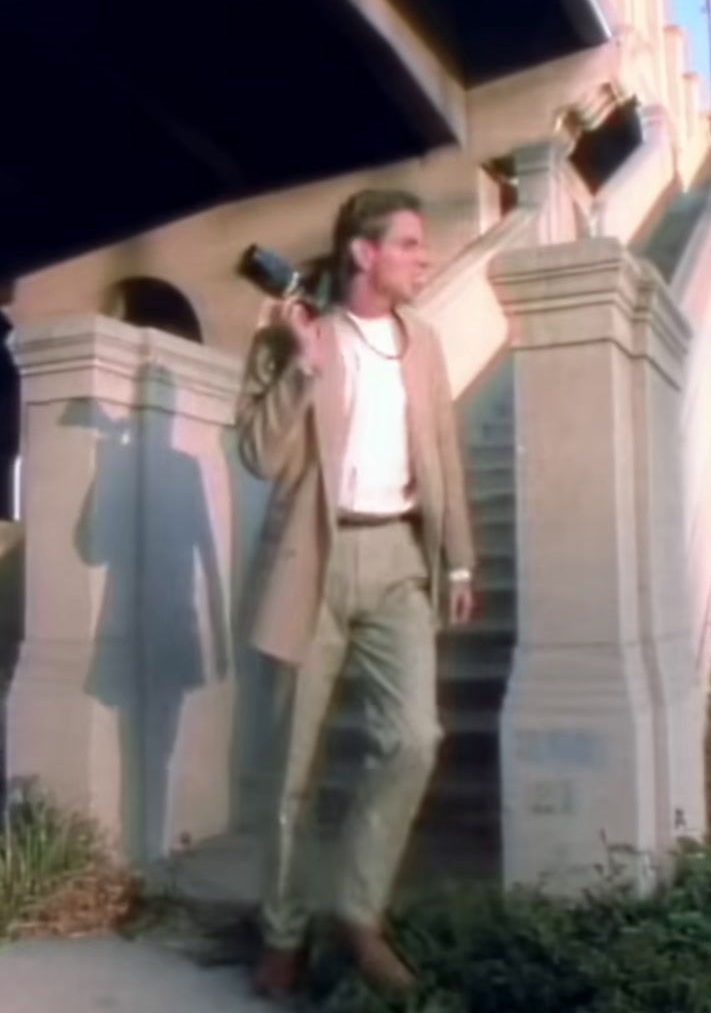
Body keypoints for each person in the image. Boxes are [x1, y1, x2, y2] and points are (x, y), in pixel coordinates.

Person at [236, 188, 476, 999]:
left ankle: (356, 909)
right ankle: (281, 931)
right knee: (287, 771)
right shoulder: (296, 334)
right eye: (409, 243)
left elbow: (442, 451)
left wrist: (461, 561)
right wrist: (297, 366)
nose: (424, 256)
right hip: (313, 561)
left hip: (400, 557)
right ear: (363, 253)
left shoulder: (426, 345)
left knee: (414, 737)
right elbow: (260, 457)